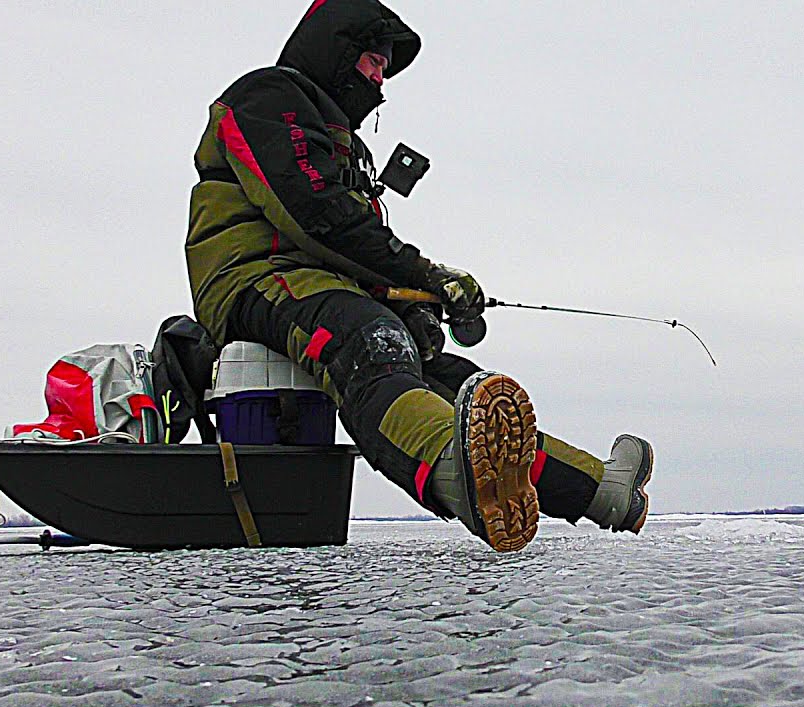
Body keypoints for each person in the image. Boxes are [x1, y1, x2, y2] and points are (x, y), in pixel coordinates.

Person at [184, 0, 653, 552]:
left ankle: (601, 491)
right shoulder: (266, 98)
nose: (381, 79)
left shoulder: (346, 145)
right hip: (255, 276)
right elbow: (313, 213)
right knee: (370, 344)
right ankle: (458, 470)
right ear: (336, 51)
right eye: (372, 61)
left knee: (450, 376)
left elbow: (350, 245)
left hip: (325, 284)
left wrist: (420, 303)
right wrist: (426, 275)